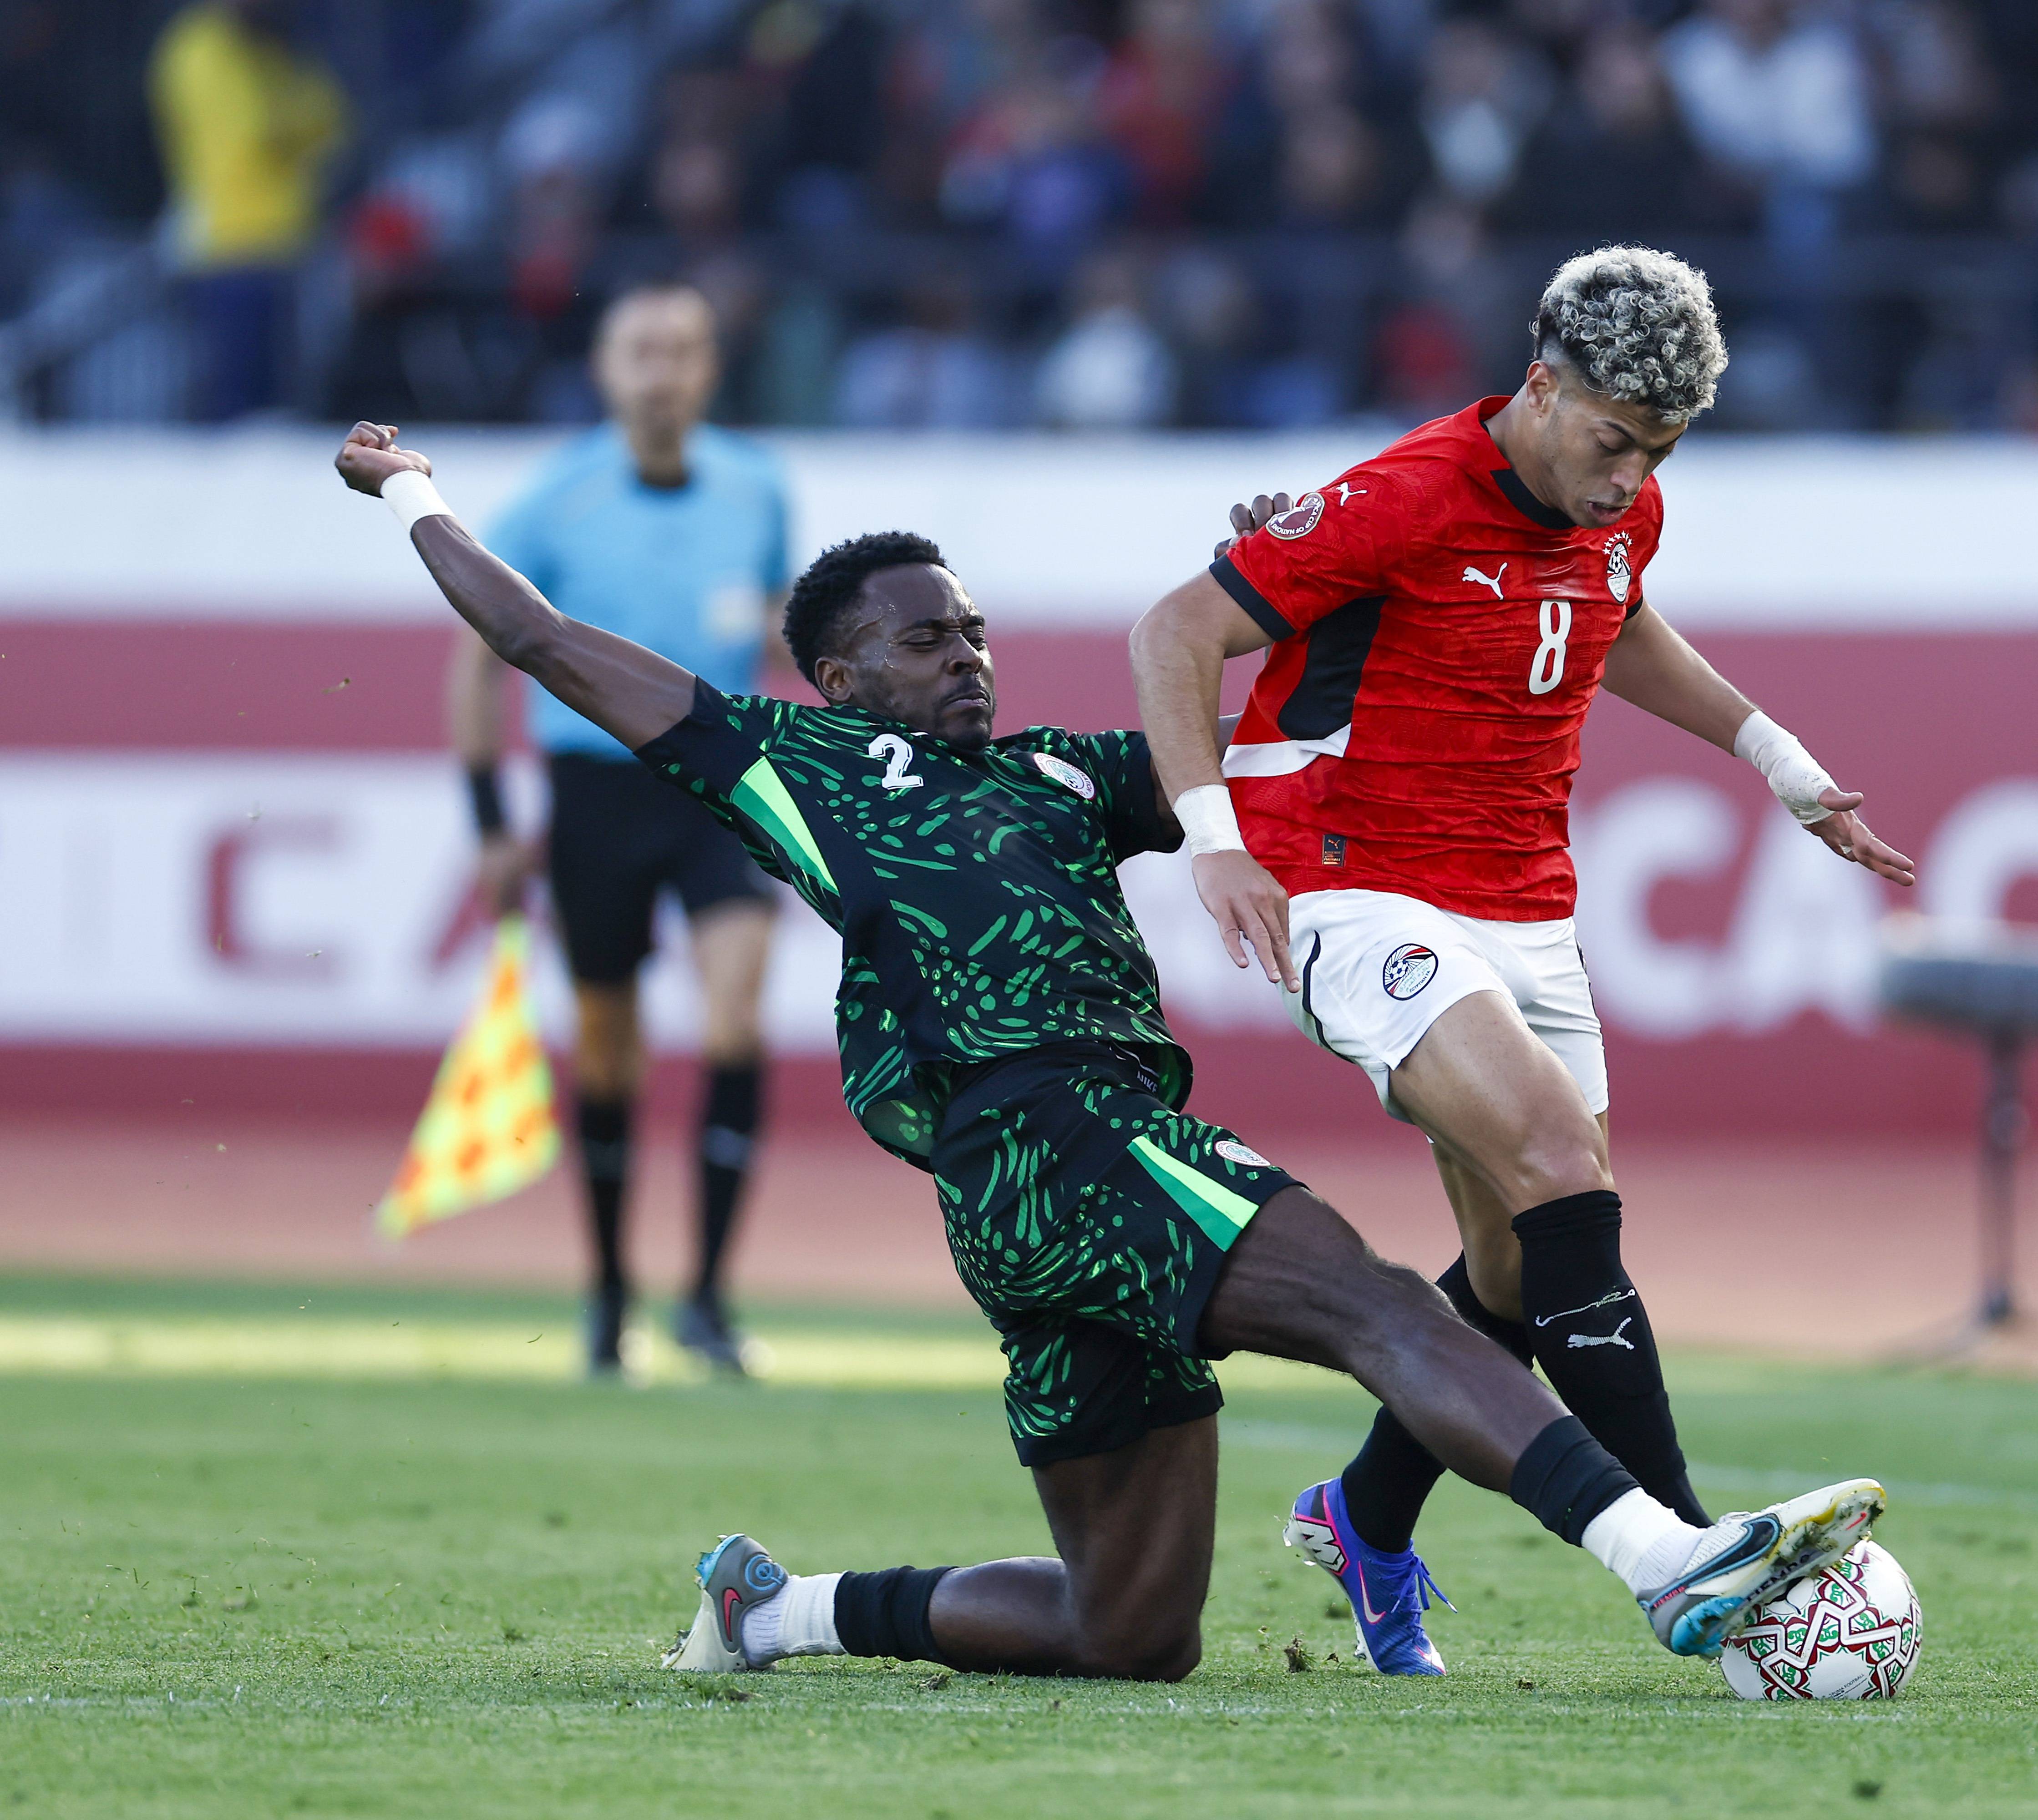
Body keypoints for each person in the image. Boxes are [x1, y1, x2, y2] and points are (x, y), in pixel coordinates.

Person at [333, 420, 1888, 1684]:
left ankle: (776, 1612)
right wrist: (413, 493)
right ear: (842, 676)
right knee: (1379, 1307)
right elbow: (537, 636)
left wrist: (1306, 589)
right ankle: (1663, 1558)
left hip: (1034, 1202)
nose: (967, 658)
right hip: (1066, 1139)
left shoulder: (1065, 776)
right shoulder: (791, 761)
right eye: (925, 640)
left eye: (975, 632)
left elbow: (1269, 768)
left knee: (1130, 1631)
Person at [1128, 246, 1913, 1676]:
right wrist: (1213, 840)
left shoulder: (1622, 505)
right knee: (1560, 1164)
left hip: (1527, 904)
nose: (1632, 477)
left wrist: (1777, 759)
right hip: (1359, 887)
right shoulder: (1406, 493)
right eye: (1613, 440)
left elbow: (1615, 619)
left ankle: (1363, 1515)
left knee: (1513, 1266)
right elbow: (1174, 629)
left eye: (1660, 450)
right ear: (1541, 387)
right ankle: (1689, 1549)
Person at [446, 285, 791, 1377]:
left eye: (682, 350)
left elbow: (777, 629)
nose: (662, 371)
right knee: (608, 1045)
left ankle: (709, 1298)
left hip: (720, 781)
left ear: (708, 369)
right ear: (605, 368)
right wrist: (491, 820)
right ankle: (607, 1293)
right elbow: (477, 660)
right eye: (641, 350)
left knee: (737, 1013)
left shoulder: (758, 487)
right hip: (596, 789)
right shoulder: (555, 498)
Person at [147, 0, 348, 420]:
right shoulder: (199, 49)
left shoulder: (270, 47)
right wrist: (297, 127)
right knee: (234, 400)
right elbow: (256, 133)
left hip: (286, 243)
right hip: (227, 248)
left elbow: (333, 118)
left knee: (281, 404)